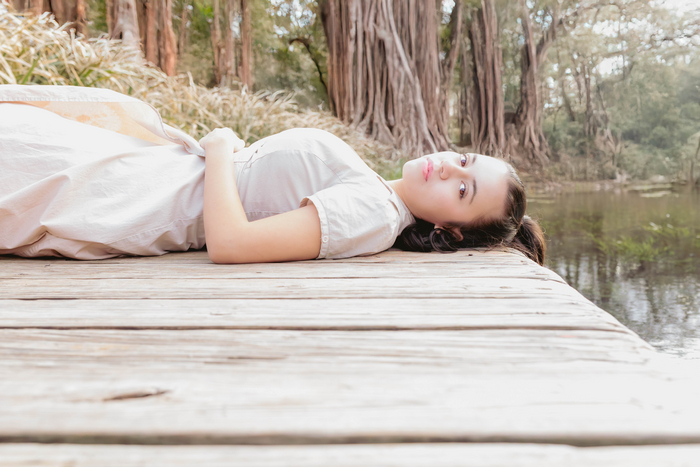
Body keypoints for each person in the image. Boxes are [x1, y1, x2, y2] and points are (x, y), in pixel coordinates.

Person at [0, 85, 545, 265]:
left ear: (450, 230)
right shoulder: (375, 191)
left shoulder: (374, 213)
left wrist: (219, 147)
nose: (450, 166)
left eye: (463, 189)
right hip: (148, 171)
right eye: (465, 160)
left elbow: (232, 243)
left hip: (143, 197)